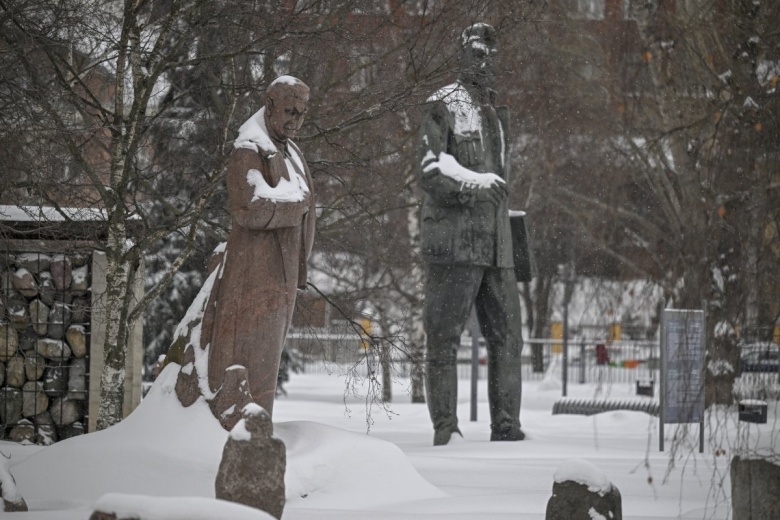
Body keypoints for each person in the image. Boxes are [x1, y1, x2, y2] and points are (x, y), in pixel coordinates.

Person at [419, 23, 525, 445]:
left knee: (510, 340)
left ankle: (507, 430)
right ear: (461, 55)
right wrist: (472, 185)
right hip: (456, 243)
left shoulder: (496, 113)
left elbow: (501, 180)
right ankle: (447, 432)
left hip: (498, 246)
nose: (485, 62)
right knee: (444, 339)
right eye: (477, 53)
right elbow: (430, 169)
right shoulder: (442, 103)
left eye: (490, 54)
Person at [200, 76, 316, 417]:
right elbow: (249, 207)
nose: (295, 120)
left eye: (302, 113)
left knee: (266, 362)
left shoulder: (290, 150)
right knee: (248, 360)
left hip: (281, 276)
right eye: (289, 111)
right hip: (254, 276)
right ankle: (241, 434)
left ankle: (256, 432)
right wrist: (295, 207)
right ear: (269, 106)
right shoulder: (249, 149)